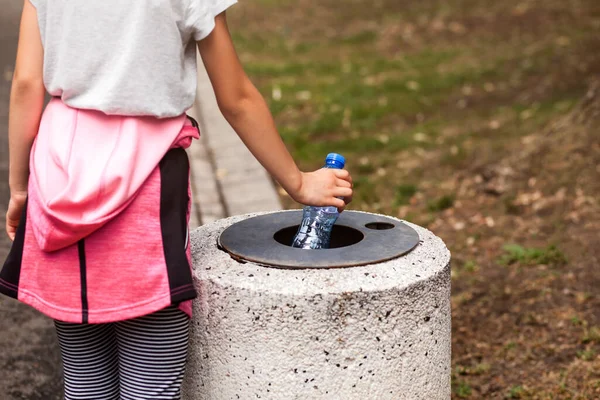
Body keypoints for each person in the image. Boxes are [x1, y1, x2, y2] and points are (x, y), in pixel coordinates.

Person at [1, 1, 354, 399]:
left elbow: (27, 84)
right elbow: (236, 97)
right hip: (144, 186)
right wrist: (299, 182)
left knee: (85, 382)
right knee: (151, 379)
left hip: (58, 177)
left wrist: (22, 189)